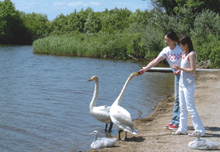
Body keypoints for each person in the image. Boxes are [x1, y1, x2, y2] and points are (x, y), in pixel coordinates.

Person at [139, 30, 183, 130]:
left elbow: (187, 59)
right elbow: (155, 61)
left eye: (167, 40)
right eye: (164, 40)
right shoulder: (166, 50)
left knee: (180, 99)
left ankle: (177, 122)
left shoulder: (180, 48)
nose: (165, 42)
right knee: (177, 99)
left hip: (184, 75)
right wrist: (145, 69)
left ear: (173, 40)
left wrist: (181, 70)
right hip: (177, 76)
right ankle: (175, 120)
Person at [172, 36, 205, 136]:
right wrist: (178, 70)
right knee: (182, 107)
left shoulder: (191, 54)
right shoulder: (184, 54)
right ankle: (182, 129)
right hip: (182, 83)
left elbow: (193, 70)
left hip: (189, 84)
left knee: (190, 107)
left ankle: (200, 130)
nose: (179, 46)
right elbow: (185, 68)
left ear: (186, 44)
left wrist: (180, 68)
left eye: (180, 44)